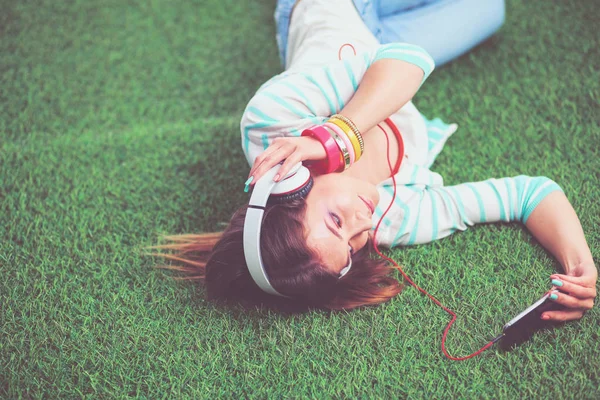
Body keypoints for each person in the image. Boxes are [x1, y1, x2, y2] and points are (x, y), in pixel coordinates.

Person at [158, 0, 597, 319]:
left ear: (291, 183)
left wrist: (334, 138)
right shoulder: (392, 220)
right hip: (386, 40)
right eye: (351, 248)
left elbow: (403, 62)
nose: (362, 227)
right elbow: (526, 195)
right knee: (489, 10)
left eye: (335, 221)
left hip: (333, 10)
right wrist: (579, 265)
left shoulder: (271, 123)